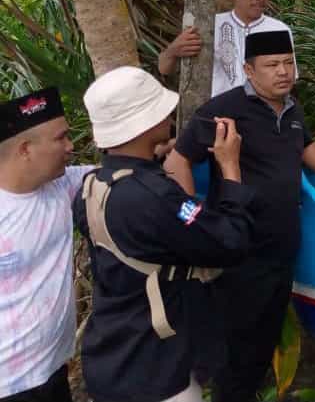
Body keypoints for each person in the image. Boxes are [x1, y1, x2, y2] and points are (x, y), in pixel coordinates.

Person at [165, 30, 315, 402]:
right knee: (234, 348)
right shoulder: (223, 110)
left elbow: (304, 142)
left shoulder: (292, 108)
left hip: (284, 248)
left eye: (288, 63)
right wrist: (193, 218)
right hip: (241, 251)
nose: (283, 72)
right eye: (272, 65)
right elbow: (177, 161)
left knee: (264, 340)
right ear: (248, 69)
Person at [74, 67, 255, 402]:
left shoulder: (92, 187)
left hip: (114, 356)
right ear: (144, 124)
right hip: (159, 372)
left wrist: (154, 157)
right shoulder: (156, 198)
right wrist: (230, 169)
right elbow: (229, 242)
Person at [0, 88, 90, 402]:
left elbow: (125, 169)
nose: (71, 146)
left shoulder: (63, 186)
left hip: (52, 372)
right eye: (61, 138)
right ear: (25, 149)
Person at [158, 0, 297, 97]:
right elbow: (163, 69)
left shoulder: (279, 30)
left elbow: (288, 80)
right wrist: (173, 51)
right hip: (216, 114)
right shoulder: (210, 26)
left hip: (262, 114)